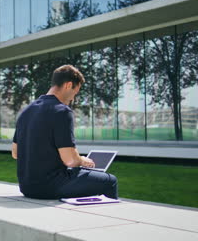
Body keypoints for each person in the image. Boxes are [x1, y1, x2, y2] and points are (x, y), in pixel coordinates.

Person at [11, 64, 118, 199]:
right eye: (75, 92)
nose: (73, 98)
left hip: (27, 187)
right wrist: (82, 160)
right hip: (51, 186)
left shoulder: (26, 111)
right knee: (109, 181)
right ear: (68, 85)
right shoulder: (62, 111)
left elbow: (15, 153)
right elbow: (70, 161)